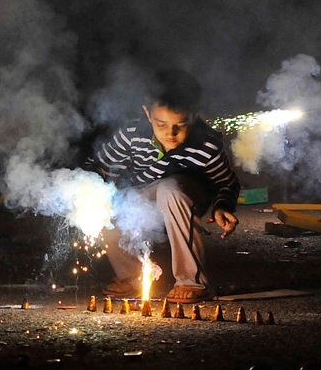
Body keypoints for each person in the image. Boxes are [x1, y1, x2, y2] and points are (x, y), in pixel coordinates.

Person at [84, 69, 240, 303]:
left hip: (186, 196)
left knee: (170, 188)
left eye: (180, 125)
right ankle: (132, 276)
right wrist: (89, 192)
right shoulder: (131, 134)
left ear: (195, 116)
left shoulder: (207, 144)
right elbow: (99, 167)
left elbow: (226, 181)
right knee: (111, 201)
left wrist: (222, 206)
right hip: (144, 197)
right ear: (148, 113)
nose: (171, 134)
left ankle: (192, 281)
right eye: (161, 124)